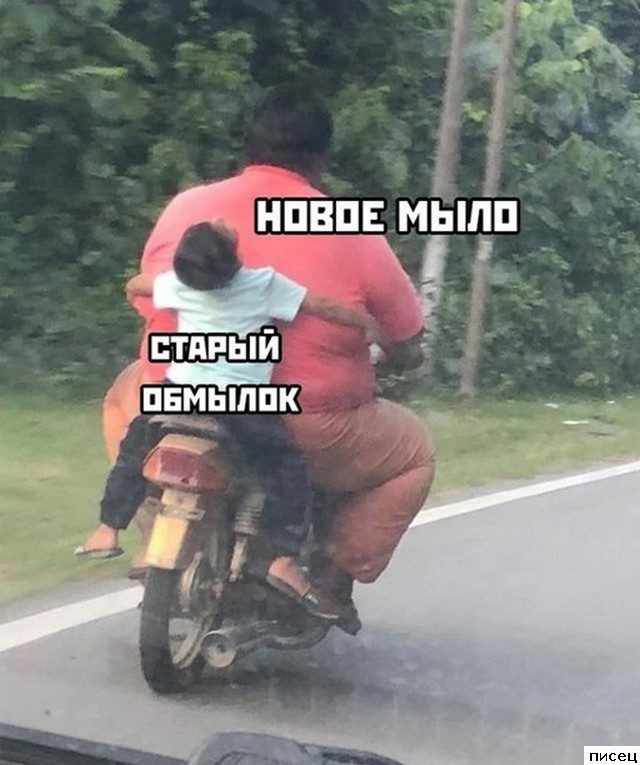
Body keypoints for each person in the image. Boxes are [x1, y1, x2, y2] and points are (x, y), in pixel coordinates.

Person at [107, 83, 436, 633]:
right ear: (321, 159)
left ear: (248, 146)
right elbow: (405, 336)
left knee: (125, 399)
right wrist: (396, 353)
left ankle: (156, 528)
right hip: (310, 424)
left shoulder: (187, 208)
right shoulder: (351, 227)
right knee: (414, 454)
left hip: (175, 400)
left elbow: (148, 301)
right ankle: (328, 578)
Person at [78, 220, 383, 620]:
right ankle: (284, 560)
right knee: (288, 470)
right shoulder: (263, 284)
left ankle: (108, 529)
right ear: (234, 258)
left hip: (179, 393)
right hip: (242, 404)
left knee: (135, 448)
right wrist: (368, 324)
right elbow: (323, 306)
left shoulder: (179, 285)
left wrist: (135, 286)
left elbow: (138, 285)